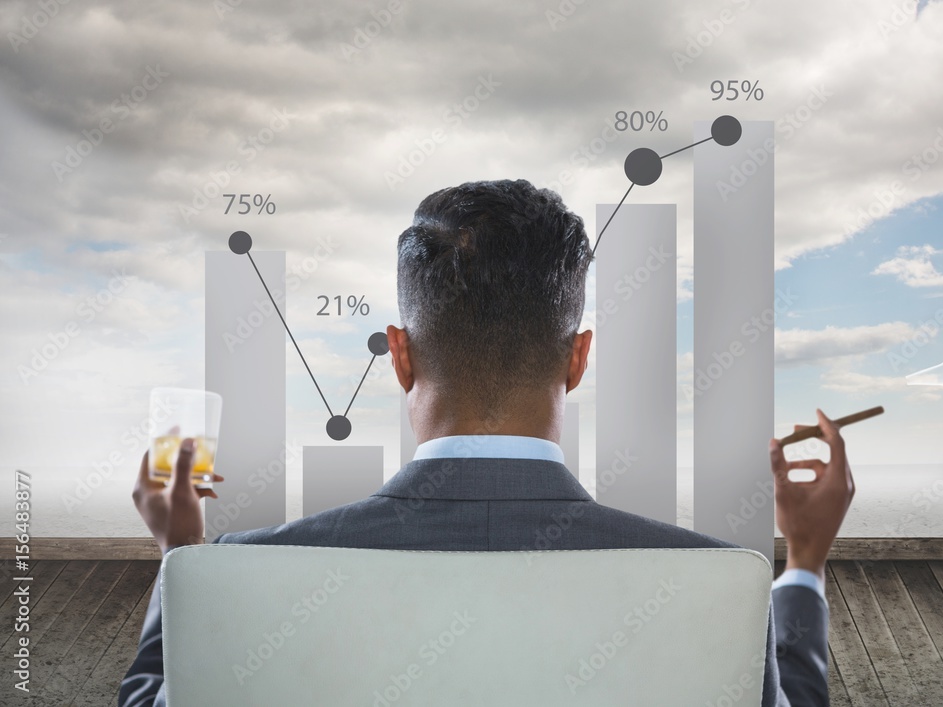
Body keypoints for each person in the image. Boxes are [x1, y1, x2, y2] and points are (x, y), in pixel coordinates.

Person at [120, 179, 854, 707]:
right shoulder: (716, 580)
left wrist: (181, 558)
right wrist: (804, 563)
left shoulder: (242, 573)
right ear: (578, 357)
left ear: (400, 356)